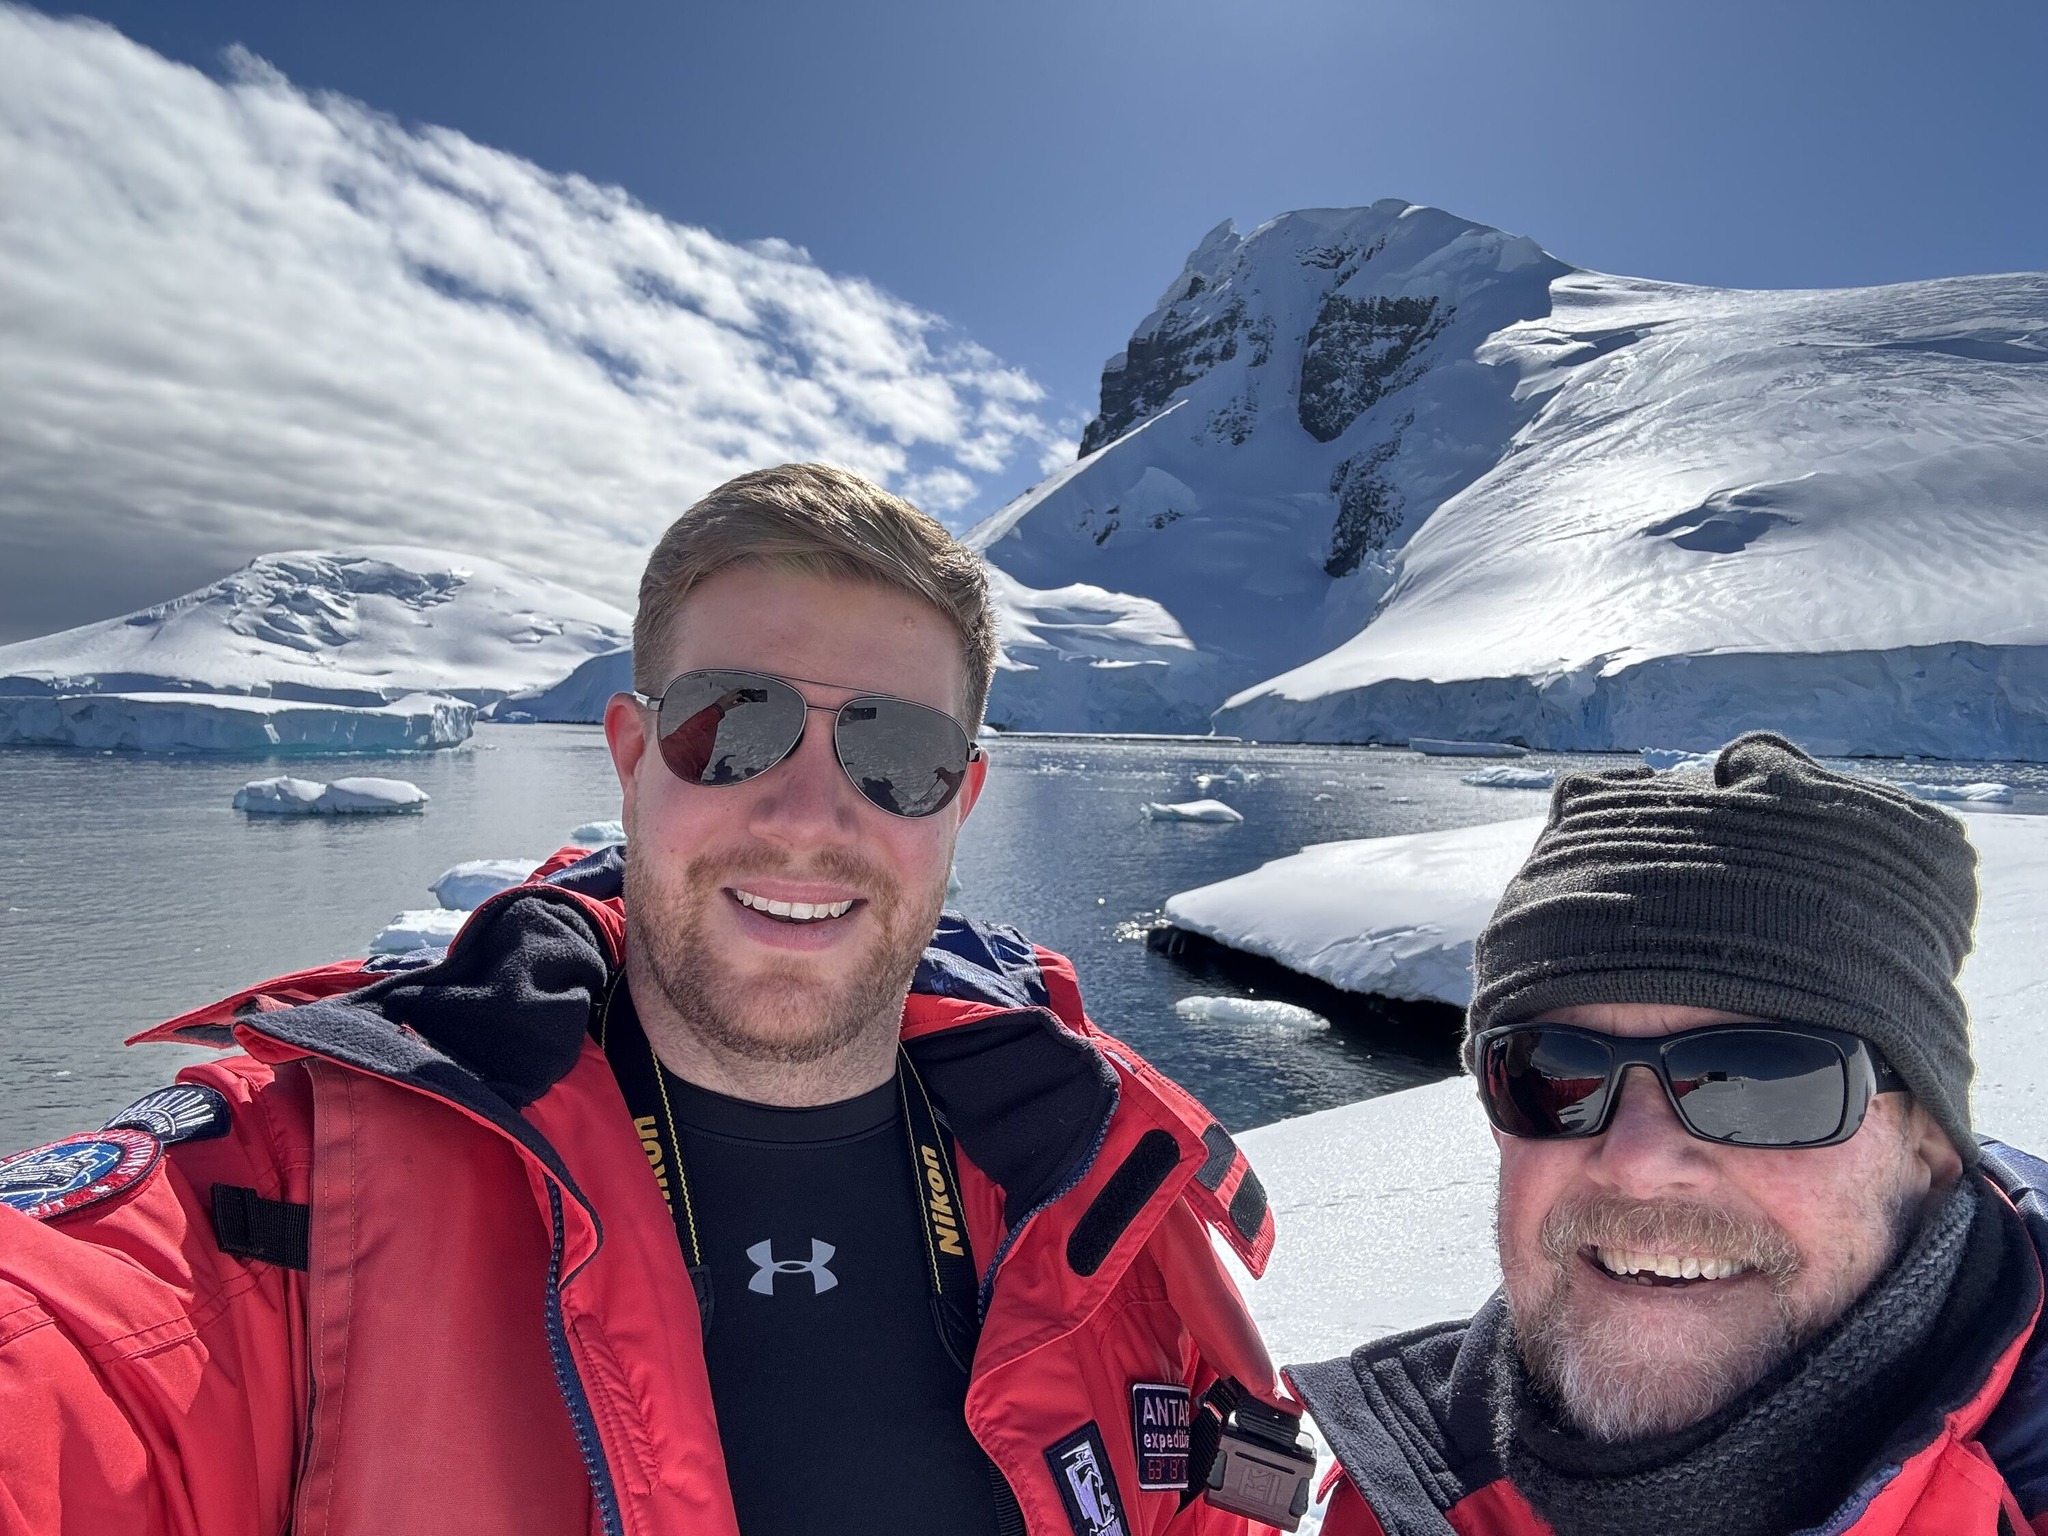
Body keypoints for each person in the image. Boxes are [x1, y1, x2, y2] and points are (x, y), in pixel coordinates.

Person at [0, 465, 1312, 1536]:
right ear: (633, 761)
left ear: (958, 804)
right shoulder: (287, 1198)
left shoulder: (1105, 1201)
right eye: (729, 725)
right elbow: (65, 1350)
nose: (807, 814)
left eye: (895, 751)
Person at [1291, 734, 2048, 1536]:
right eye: (1553, 1077)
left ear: (1928, 1145)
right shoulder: (1405, 1493)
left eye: (1755, 1080)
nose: (1638, 1162)